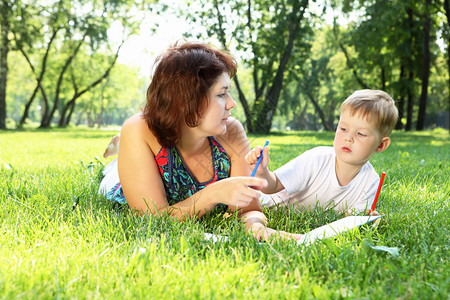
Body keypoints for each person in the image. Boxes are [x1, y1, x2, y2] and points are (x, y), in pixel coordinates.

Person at [99, 41, 301, 242]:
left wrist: (256, 226)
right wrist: (212, 195)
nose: (232, 103)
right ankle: (122, 148)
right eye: (222, 94)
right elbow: (152, 219)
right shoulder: (138, 129)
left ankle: (123, 149)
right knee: (112, 170)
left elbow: (247, 209)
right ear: (187, 101)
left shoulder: (231, 130)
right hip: (119, 181)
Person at [245, 89, 398, 215]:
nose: (348, 138)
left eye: (361, 134)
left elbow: (350, 218)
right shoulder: (317, 159)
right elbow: (272, 186)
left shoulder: (370, 181)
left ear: (381, 145)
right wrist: (262, 172)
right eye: (343, 129)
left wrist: (364, 218)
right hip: (259, 207)